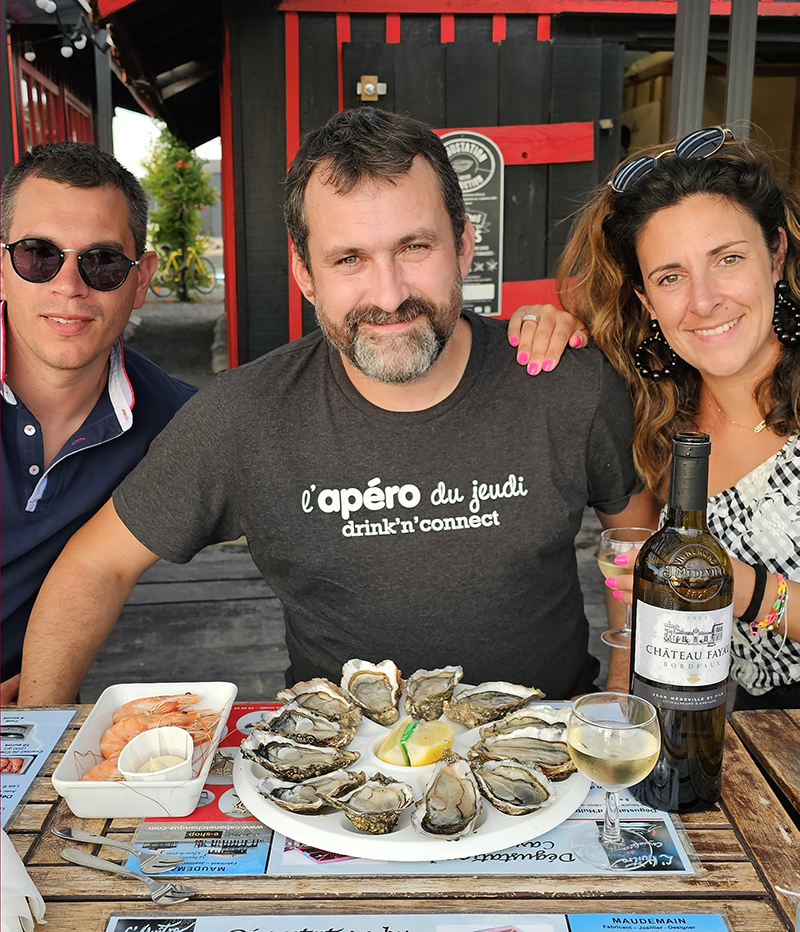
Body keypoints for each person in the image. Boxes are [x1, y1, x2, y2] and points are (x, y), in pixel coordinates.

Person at [18, 107, 654, 707]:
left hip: (544, 752)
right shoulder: (243, 416)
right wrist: (41, 729)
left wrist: (627, 699)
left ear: (463, 244)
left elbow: (636, 538)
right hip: (338, 771)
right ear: (304, 271)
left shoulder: (563, 381)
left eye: (416, 247)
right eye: (349, 258)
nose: (389, 292)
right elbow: (96, 564)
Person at [509, 126, 800, 711]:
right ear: (645, 300)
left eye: (729, 259)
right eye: (670, 277)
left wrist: (730, 585)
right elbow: (631, 573)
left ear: (776, 255)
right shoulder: (655, 414)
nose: (703, 300)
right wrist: (622, 706)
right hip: (730, 728)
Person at [1, 142, 196, 702]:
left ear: (141, 281)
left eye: (103, 261)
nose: (69, 285)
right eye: (38, 255)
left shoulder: (175, 421)